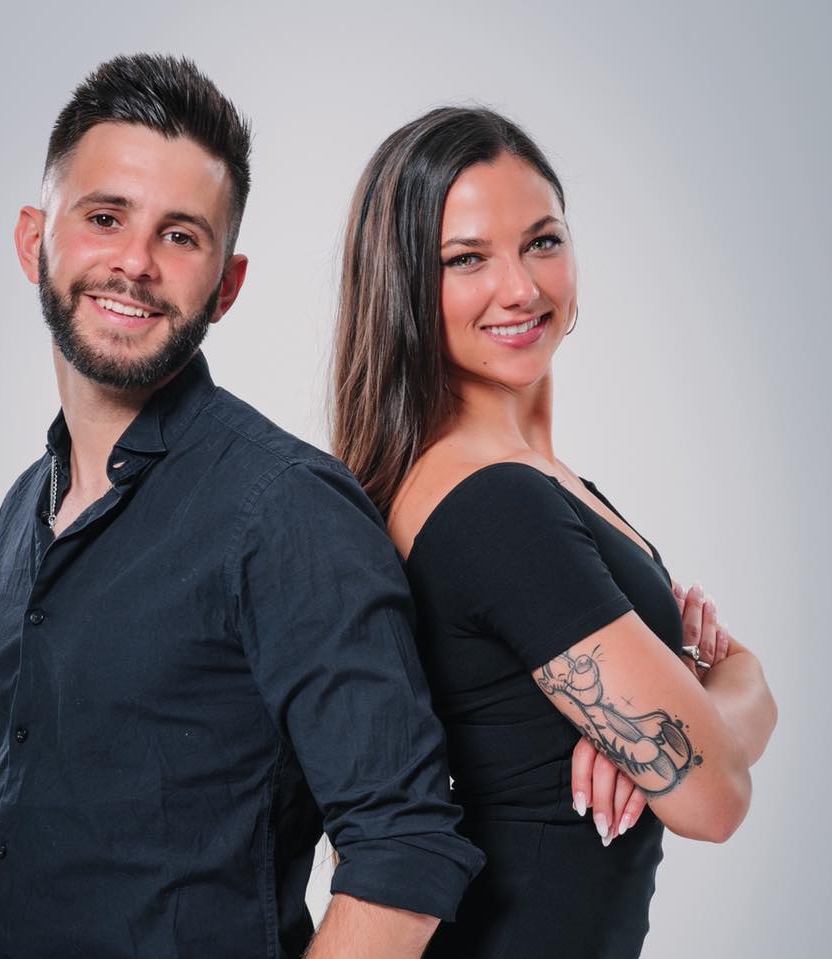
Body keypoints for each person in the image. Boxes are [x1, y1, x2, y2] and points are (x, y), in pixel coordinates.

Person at [0, 55, 484, 959]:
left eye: (180, 235)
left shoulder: (285, 509)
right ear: (33, 241)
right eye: (105, 217)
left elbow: (403, 848)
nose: (135, 263)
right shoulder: (25, 509)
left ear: (227, 283)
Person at [332, 106, 777, 958]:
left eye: (541, 241)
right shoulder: (494, 504)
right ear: (405, 285)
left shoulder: (538, 481)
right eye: (466, 259)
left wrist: (689, 718)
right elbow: (715, 796)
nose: (521, 288)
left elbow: (714, 751)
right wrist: (713, 700)